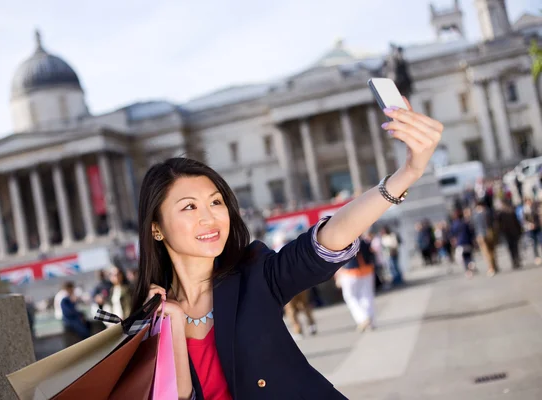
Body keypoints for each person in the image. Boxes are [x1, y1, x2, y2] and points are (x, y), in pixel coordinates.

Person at [130, 100, 443, 399]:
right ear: (155, 227)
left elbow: (325, 240)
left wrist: (407, 174)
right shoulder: (152, 313)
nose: (209, 217)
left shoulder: (253, 274)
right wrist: (170, 324)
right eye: (189, 207)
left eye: (216, 202)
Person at [334, 236, 377, 332]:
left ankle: (363, 319)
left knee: (350, 297)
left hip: (349, 272)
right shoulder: (364, 241)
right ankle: (370, 320)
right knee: (367, 296)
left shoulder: (342, 242)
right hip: (367, 271)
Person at [472, 199, 498, 276]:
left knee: (486, 252)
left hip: (480, 235)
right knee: (492, 251)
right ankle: (495, 266)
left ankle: (491, 268)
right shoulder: (488, 211)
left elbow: (474, 226)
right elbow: (493, 222)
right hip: (490, 232)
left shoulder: (475, 214)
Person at [497, 200, 523, 269]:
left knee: (512, 248)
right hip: (512, 233)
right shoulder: (508, 213)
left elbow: (499, 225)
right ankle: (516, 260)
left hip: (509, 233)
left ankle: (515, 261)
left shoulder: (503, 214)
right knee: (514, 248)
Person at [450, 210, 476, 278]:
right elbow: (471, 232)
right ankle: (471, 264)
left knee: (463, 258)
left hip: (460, 243)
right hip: (467, 242)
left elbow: (452, 235)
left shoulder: (454, 224)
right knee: (469, 255)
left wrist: (453, 242)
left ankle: (468, 271)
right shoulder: (465, 223)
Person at [522, 198, 542, 265]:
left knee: (540, 241)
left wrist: (536, 224)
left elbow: (538, 217)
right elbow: (525, 220)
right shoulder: (525, 210)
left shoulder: (535, 207)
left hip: (537, 227)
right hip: (530, 228)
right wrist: (529, 225)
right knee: (534, 243)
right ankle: (537, 257)